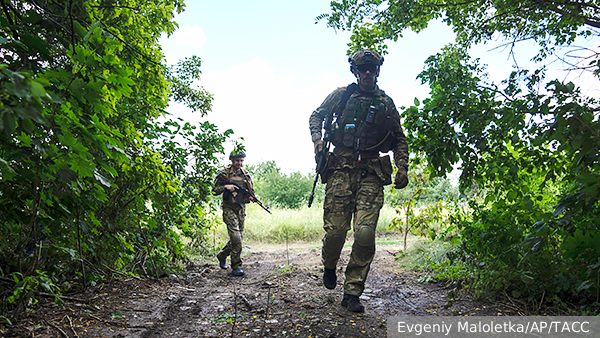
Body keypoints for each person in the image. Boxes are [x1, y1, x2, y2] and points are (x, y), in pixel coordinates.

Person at [309, 49, 409, 312]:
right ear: (355, 71)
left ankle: (352, 291)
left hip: (371, 172)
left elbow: (399, 138)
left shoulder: (386, 103)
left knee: (365, 235)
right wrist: (318, 143)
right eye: (362, 69)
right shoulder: (341, 96)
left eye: (371, 69)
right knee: (336, 233)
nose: (367, 73)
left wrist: (402, 166)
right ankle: (329, 265)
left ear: (377, 72)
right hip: (340, 170)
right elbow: (316, 116)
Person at [212, 149, 256, 276]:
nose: (239, 163)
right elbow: (214, 190)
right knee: (236, 237)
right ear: (232, 160)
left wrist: (251, 197)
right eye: (237, 160)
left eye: (241, 161)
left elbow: (250, 191)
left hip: (241, 209)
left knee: (238, 239)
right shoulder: (224, 173)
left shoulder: (245, 174)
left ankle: (222, 255)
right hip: (228, 208)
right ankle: (236, 266)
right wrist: (225, 187)